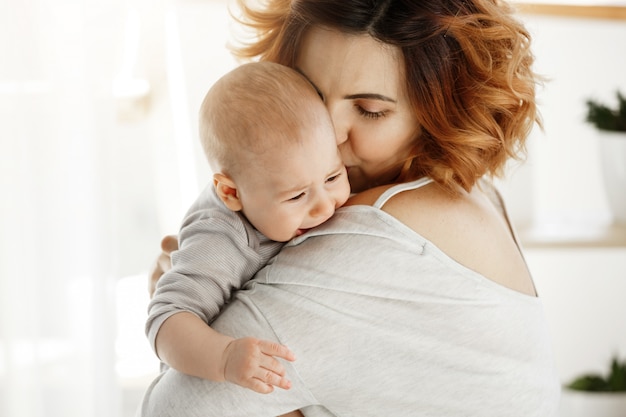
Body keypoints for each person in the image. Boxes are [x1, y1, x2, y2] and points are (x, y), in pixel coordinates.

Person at [140, 0, 561, 415]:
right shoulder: (474, 194)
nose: (329, 131)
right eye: (311, 92)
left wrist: (185, 307)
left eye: (369, 110)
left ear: (437, 115)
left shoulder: (375, 235)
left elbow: (173, 409)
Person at [147, 61, 350, 397]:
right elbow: (165, 321)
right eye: (297, 195)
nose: (325, 206)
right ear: (231, 193)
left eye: (333, 177)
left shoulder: (278, 184)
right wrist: (224, 356)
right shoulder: (220, 238)